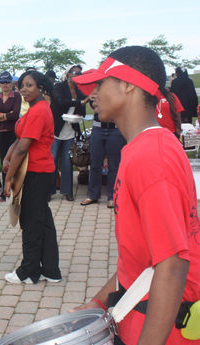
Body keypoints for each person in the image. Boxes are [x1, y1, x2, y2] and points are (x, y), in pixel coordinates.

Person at [71, 46, 200, 345]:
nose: (93, 93)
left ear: (129, 84)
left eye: (101, 83)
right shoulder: (144, 148)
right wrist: (99, 302)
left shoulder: (150, 156)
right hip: (136, 318)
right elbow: (140, 259)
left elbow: (172, 265)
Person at [3, 71, 62, 285]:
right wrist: (8, 157)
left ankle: (28, 272)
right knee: (42, 221)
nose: (24, 89)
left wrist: (8, 179)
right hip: (38, 171)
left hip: (36, 172)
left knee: (30, 223)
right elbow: (17, 142)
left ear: (41, 87)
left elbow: (22, 148)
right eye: (22, 85)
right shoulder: (36, 109)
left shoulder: (38, 111)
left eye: (29, 85)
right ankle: (51, 270)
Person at [50, 65, 88, 202]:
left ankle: (67, 191)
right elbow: (60, 102)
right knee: (52, 160)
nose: (79, 74)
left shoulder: (80, 90)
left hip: (71, 130)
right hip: (56, 130)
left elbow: (83, 108)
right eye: (76, 73)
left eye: (80, 73)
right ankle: (49, 191)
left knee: (67, 161)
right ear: (69, 74)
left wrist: (80, 112)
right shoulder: (59, 87)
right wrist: (80, 102)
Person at [80, 109, 126, 208]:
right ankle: (93, 195)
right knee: (95, 164)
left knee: (114, 166)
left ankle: (112, 197)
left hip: (115, 129)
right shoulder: (97, 93)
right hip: (98, 128)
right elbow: (95, 106)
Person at [0, 71, 21, 202]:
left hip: (13, 132)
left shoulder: (16, 96)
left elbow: (16, 115)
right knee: (4, 161)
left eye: (7, 82)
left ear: (11, 83)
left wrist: (0, 115)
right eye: (2, 82)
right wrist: (6, 115)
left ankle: (17, 188)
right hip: (1, 132)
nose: (5, 85)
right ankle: (5, 191)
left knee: (15, 160)